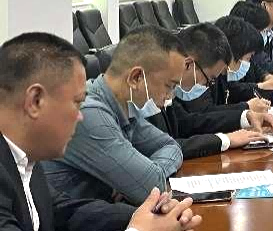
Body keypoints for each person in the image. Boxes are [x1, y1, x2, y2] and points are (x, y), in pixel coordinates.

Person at [0, 33, 202, 231]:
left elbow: (63, 213)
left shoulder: (24, 157)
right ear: (35, 101)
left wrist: (150, 217)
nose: (80, 116)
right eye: (76, 103)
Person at [44, 26, 185, 205]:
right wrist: (139, 178)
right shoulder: (88, 114)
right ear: (136, 78)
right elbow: (151, 187)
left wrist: (143, 175)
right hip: (72, 220)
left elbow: (170, 145)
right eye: (169, 86)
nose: (170, 96)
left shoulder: (123, 106)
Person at [148, 23, 273, 160]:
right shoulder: (149, 97)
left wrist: (244, 117)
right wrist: (225, 140)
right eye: (209, 80)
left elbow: (187, 123)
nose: (207, 86)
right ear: (188, 64)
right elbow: (164, 147)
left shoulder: (167, 91)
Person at [214, 15, 273, 105]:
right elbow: (235, 92)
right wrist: (266, 85)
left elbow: (254, 71)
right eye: (248, 58)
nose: (249, 62)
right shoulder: (212, 76)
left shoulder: (228, 70)